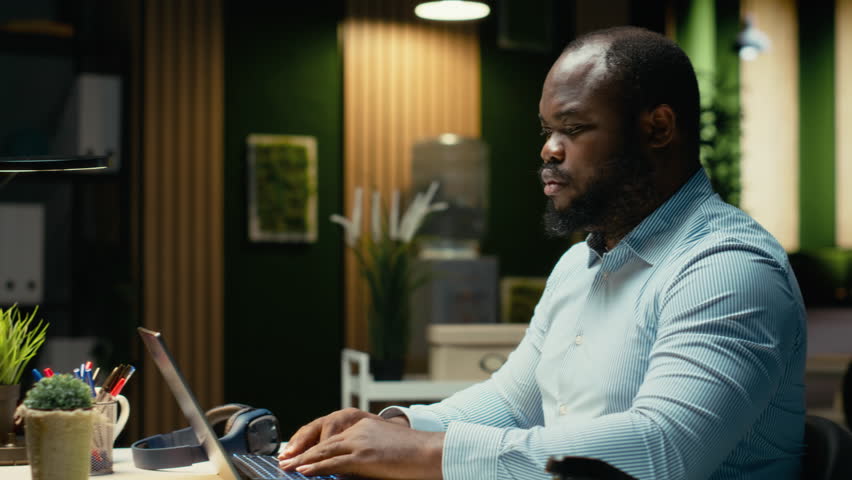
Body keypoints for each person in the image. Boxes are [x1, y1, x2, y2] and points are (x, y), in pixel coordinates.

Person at [278, 26, 806, 480]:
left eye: (573, 129)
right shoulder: (580, 265)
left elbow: (661, 452)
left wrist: (422, 453)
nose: (549, 150)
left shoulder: (727, 267)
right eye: (549, 131)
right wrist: (396, 427)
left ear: (658, 128)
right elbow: (515, 402)